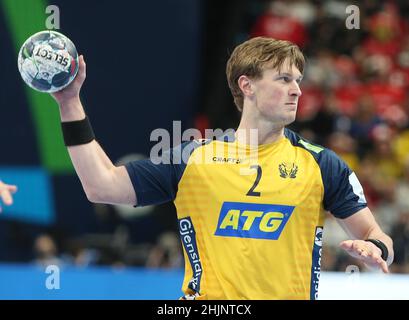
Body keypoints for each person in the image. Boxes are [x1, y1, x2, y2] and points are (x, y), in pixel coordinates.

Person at [51, 37, 393, 300]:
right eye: (285, 79)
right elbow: (101, 185)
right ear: (247, 86)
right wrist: (69, 104)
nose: (298, 90)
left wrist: (374, 248)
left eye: (298, 80)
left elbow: (376, 236)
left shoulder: (321, 164)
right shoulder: (194, 159)